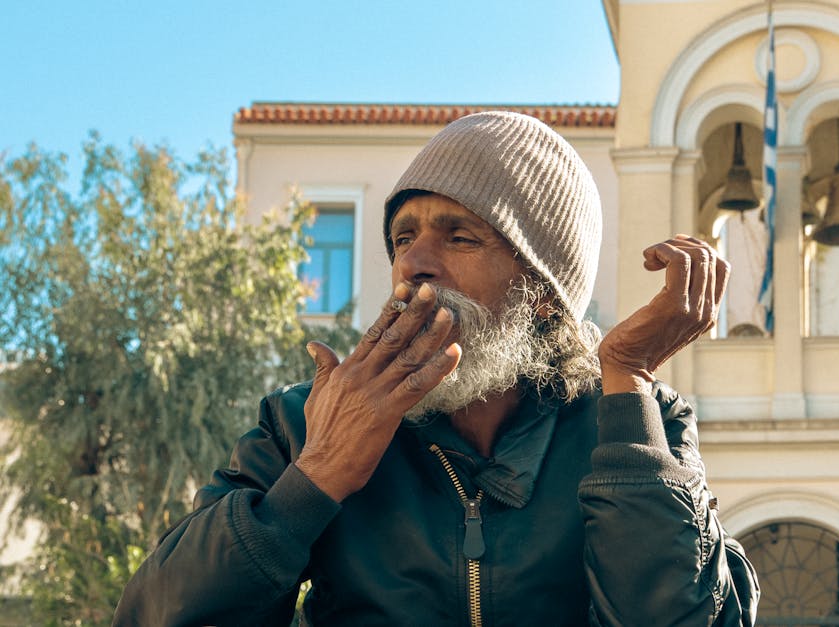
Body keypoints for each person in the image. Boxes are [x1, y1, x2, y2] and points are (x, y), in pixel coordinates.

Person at [113, 111, 759, 626]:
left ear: (539, 290)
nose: (413, 263)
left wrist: (629, 376)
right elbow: (155, 613)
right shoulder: (302, 420)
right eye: (402, 237)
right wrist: (315, 477)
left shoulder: (634, 424)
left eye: (458, 236)